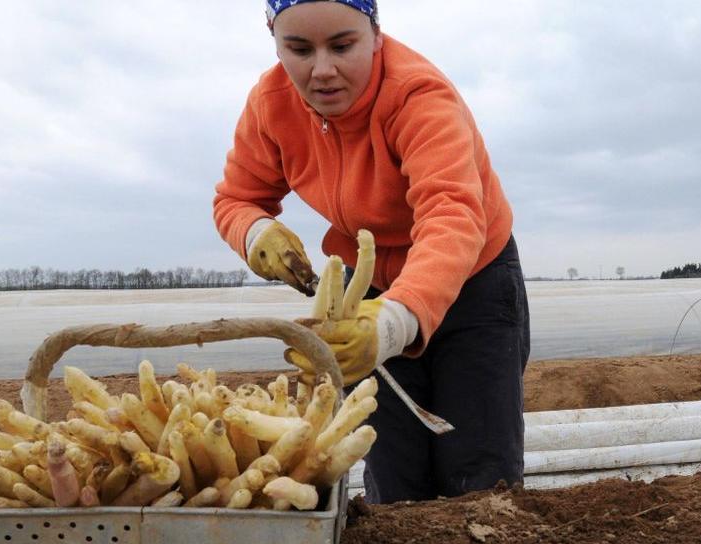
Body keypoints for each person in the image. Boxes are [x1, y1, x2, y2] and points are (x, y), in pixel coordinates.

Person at [213, 0, 529, 504]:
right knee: (394, 471)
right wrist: (255, 233)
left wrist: (393, 324)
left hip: (473, 282)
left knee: (479, 476)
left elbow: (452, 213)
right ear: (274, 40)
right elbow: (236, 197)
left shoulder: (417, 95)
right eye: (298, 49)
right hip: (371, 288)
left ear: (376, 34)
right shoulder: (271, 103)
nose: (322, 70)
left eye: (342, 46)